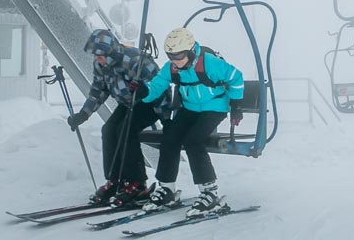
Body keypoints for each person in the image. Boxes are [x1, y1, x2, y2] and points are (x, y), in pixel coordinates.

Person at [132, 26, 244, 218]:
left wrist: (236, 105)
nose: (175, 61)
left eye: (179, 56)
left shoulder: (210, 63)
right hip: (190, 108)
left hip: (214, 108)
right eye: (171, 56)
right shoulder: (172, 67)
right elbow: (157, 86)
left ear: (191, 51)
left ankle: (209, 191)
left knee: (193, 141)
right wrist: (144, 92)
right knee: (170, 138)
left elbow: (236, 77)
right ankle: (166, 188)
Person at [67, 29, 171, 207]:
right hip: (127, 103)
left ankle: (137, 183)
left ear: (111, 52)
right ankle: (115, 179)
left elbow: (160, 87)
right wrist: (84, 114)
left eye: (99, 55)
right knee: (108, 130)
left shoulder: (134, 60)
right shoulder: (101, 65)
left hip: (149, 102)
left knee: (126, 129)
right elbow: (99, 89)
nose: (96, 59)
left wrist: (166, 119)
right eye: (95, 56)